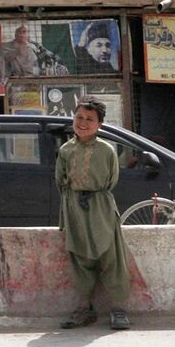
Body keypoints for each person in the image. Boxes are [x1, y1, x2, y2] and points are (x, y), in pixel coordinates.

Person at [55, 99, 130, 330]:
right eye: (79, 117)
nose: (83, 123)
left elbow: (111, 180)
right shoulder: (65, 150)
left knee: (111, 257)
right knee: (80, 259)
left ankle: (119, 309)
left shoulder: (106, 150)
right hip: (74, 207)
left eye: (90, 119)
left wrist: (92, 194)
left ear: (100, 124)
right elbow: (61, 181)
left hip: (100, 206)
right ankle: (84, 309)